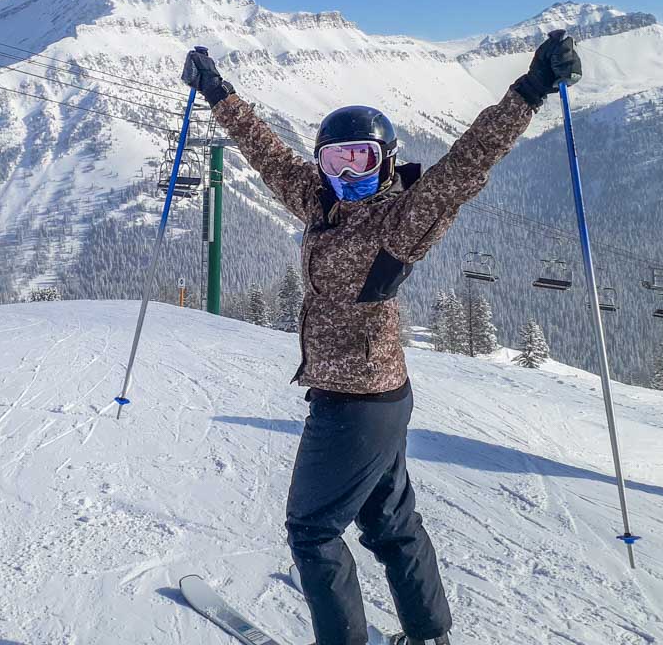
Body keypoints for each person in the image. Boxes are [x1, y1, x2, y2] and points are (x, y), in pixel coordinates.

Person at [182, 33, 582, 645]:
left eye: (361, 160)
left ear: (387, 161)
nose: (346, 174)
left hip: (356, 405)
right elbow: (266, 153)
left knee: (312, 530)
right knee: (391, 523)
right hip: (385, 396)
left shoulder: (402, 221)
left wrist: (529, 91)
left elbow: (464, 165)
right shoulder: (323, 205)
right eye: (334, 160)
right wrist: (218, 93)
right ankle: (430, 635)